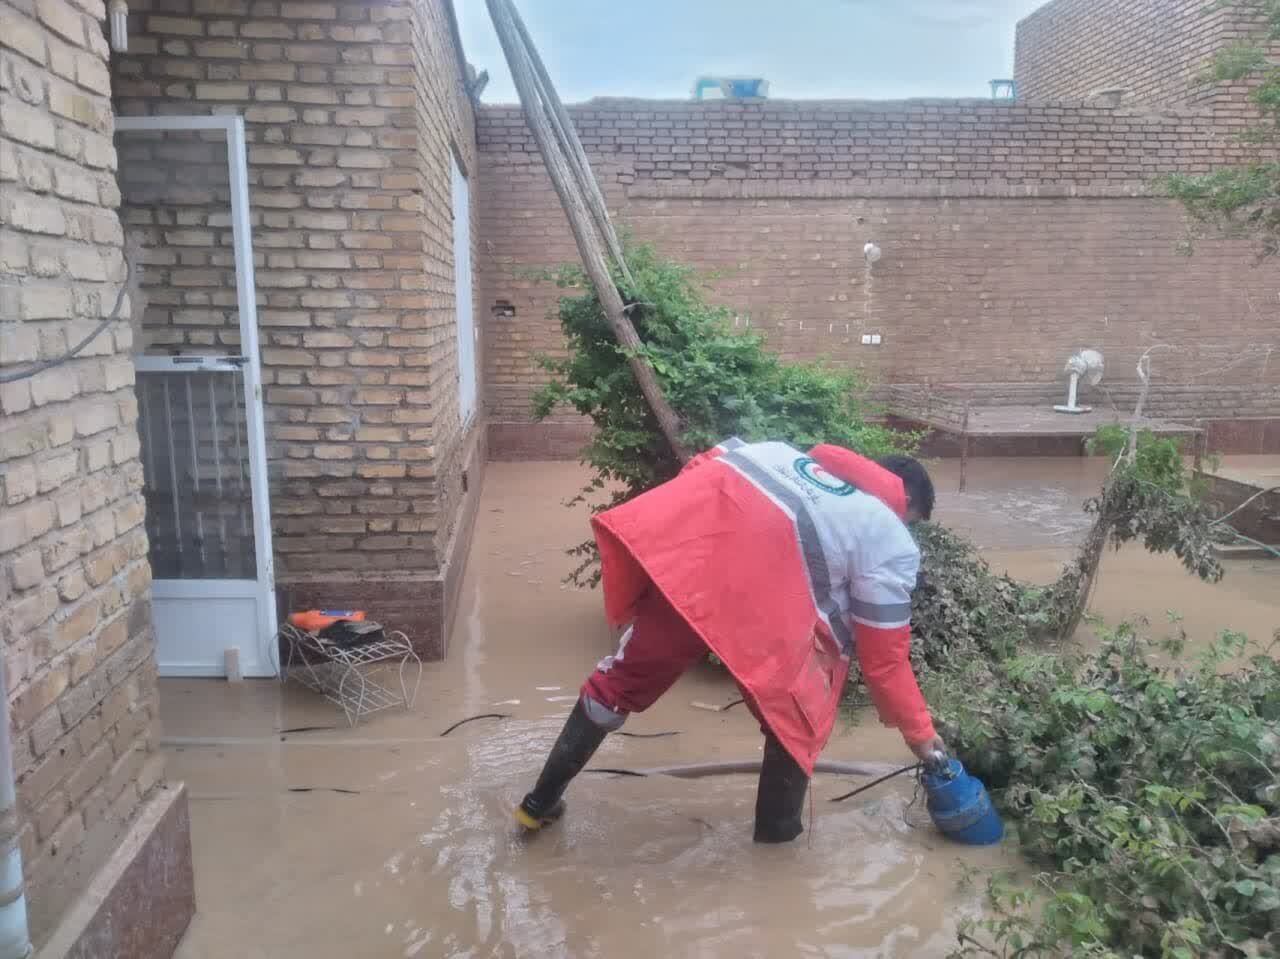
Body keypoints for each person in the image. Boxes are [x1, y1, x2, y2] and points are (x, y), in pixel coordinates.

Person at [514, 437, 944, 843]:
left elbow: (699, 469)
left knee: (618, 683)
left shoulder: (775, 452)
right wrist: (923, 739)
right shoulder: (888, 536)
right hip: (761, 616)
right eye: (912, 521)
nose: (908, 529)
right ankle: (774, 854)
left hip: (692, 569)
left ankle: (538, 804)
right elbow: (884, 658)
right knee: (795, 720)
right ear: (904, 503)